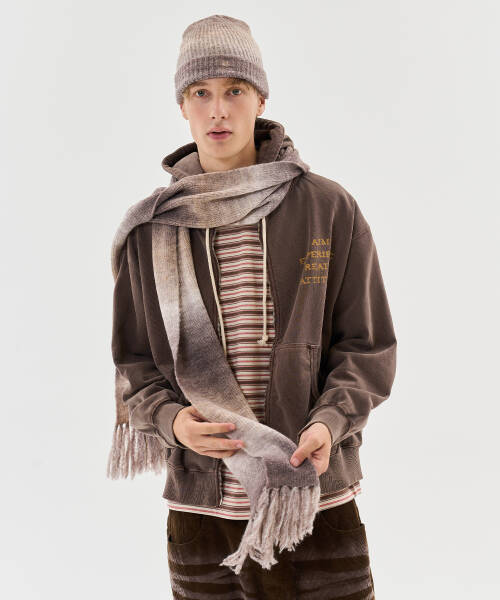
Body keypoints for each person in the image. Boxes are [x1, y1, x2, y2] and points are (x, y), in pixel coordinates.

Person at [109, 14, 396, 600]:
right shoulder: (153, 229)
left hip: (313, 496)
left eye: (234, 90)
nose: (218, 110)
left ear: (261, 99)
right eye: (200, 92)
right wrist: (173, 422)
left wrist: (329, 422)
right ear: (182, 106)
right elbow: (135, 363)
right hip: (202, 509)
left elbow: (366, 347)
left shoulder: (327, 207)